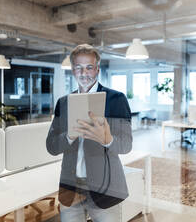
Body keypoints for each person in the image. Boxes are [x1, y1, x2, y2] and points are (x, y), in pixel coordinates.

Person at [46, 44, 132, 222]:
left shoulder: (116, 99)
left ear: (97, 69)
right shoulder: (63, 103)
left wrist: (107, 140)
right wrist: (69, 136)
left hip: (105, 188)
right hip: (70, 187)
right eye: (78, 67)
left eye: (89, 67)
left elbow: (126, 145)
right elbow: (52, 146)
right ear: (72, 70)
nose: (84, 73)